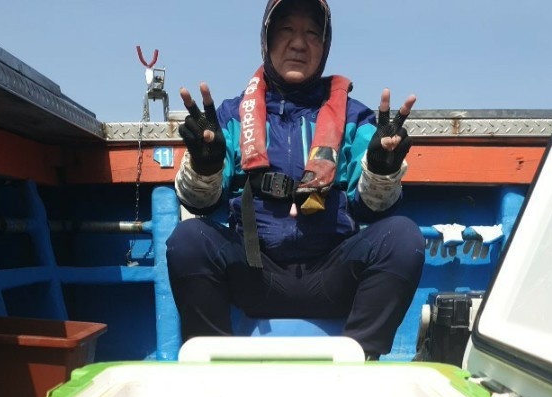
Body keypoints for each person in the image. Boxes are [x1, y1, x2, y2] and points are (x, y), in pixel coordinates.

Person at [165, 0, 425, 360]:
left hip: (330, 273)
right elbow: (200, 202)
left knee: (403, 236)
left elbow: (371, 206)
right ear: (266, 39)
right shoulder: (229, 116)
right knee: (188, 239)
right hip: (255, 274)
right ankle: (214, 370)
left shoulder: (355, 119)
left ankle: (361, 361)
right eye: (286, 30)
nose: (299, 43)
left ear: (325, 45)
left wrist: (382, 169)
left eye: (312, 34)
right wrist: (204, 165)